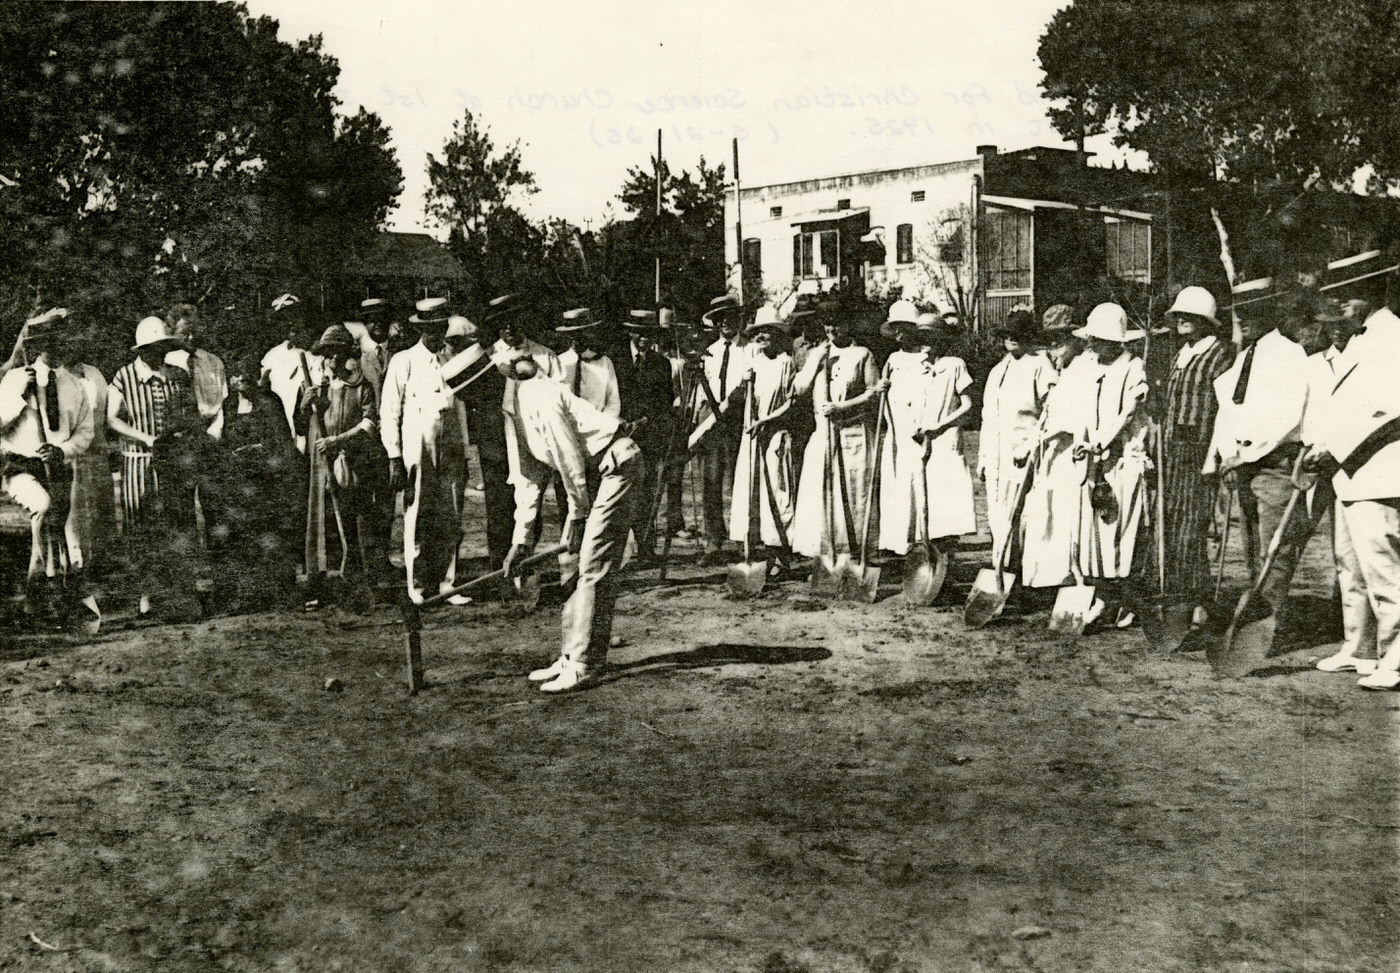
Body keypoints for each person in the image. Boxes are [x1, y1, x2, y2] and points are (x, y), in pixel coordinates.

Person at [502, 357, 644, 693]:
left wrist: (579, 514)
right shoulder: (511, 414)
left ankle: (585, 664)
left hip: (617, 464)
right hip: (595, 472)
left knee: (594, 561)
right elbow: (529, 477)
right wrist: (520, 543)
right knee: (570, 562)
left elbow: (568, 456)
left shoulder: (538, 396)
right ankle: (569, 655)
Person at [1203, 304, 1313, 633]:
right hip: (1245, 466)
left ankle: (1268, 622)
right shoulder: (1243, 357)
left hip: (1276, 464)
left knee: (1276, 547)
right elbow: (1230, 410)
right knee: (1251, 546)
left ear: (1270, 314)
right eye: (1239, 314)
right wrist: (1226, 455)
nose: (1242, 321)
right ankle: (1257, 620)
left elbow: (1288, 415)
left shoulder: (1289, 355)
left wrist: (1248, 455)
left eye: (1251, 314)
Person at [1304, 299, 1383, 676]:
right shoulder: (1331, 357)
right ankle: (1359, 647)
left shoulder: (1382, 344)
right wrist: (1316, 448)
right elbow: (1326, 413)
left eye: (1341, 322)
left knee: (1381, 567)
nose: (1336, 325)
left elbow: (1380, 410)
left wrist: (1333, 448)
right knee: (1347, 564)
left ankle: (1393, 656)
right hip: (1341, 472)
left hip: (1374, 471)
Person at [0, 308, 94, 622]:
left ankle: (35, 599)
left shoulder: (75, 385)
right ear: (39, 343)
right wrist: (18, 396)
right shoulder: (15, 379)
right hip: (21, 468)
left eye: (63, 339)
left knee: (56, 531)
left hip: (58, 467)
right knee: (43, 506)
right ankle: (51, 585)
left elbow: (85, 432)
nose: (58, 345)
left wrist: (62, 450)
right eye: (51, 339)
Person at [108, 315, 202, 617]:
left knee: (178, 523)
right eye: (153, 348)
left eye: (163, 346)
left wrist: (182, 433)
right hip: (139, 463)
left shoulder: (177, 375)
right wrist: (145, 438)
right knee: (141, 526)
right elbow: (112, 419)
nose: (158, 352)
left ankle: (183, 593)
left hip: (174, 463)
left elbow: (190, 413)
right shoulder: (124, 377)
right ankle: (146, 598)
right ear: (141, 350)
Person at [380, 298, 470, 605]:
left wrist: (465, 450)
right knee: (417, 513)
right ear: (420, 329)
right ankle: (416, 585)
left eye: (440, 327)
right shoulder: (403, 361)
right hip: (417, 446)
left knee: (451, 514)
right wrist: (394, 456)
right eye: (429, 328)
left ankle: (448, 584)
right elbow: (389, 411)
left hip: (452, 444)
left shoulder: (454, 360)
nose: (435, 334)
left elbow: (461, 409)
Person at [1160, 286, 1234, 622]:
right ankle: (1182, 598)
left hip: (1200, 452)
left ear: (1206, 321)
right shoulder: (1181, 354)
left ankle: (1200, 603)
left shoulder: (1219, 354)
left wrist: (1214, 458)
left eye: (1190, 316)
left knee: (1193, 527)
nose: (1182, 321)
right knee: (1172, 527)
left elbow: (1225, 410)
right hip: (1173, 453)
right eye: (1178, 316)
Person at [790, 304, 884, 560]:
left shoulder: (862, 354)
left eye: (838, 324)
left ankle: (854, 553)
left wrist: (842, 406)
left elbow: (874, 394)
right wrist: (815, 363)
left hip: (852, 435)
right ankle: (826, 554)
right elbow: (798, 390)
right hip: (823, 434)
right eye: (827, 324)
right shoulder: (818, 353)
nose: (832, 330)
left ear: (849, 324)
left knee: (853, 493)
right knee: (823, 495)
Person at [879, 311, 975, 556]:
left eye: (931, 336)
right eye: (920, 336)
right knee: (924, 504)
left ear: (942, 338)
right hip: (922, 446)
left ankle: (946, 565)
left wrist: (940, 426)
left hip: (946, 442)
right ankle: (926, 561)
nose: (925, 342)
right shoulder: (915, 369)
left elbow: (968, 407)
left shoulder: (954, 365)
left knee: (947, 504)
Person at [302, 324, 386, 603]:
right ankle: (326, 586)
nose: (333, 361)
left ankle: (360, 584)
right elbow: (304, 428)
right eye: (328, 356)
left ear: (347, 354)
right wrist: (305, 407)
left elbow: (370, 425)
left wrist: (338, 442)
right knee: (325, 523)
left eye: (338, 354)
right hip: (322, 468)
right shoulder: (316, 391)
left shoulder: (361, 386)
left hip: (354, 466)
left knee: (357, 525)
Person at [218, 354, 304, 609]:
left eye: (247, 372)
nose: (241, 378)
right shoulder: (229, 405)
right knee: (244, 534)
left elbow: (282, 440)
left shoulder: (269, 401)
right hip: (241, 480)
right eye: (236, 373)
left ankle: (280, 591)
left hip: (268, 478)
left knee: (272, 533)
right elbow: (226, 442)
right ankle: (250, 595)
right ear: (230, 379)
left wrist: (260, 452)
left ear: (256, 376)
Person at [978, 305, 1055, 564]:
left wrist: (1031, 446)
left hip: (1024, 453)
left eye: (1019, 334)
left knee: (1020, 514)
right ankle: (1000, 567)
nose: (1012, 338)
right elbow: (987, 416)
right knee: (997, 513)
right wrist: (983, 456)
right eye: (1008, 333)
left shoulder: (1040, 365)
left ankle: (1021, 574)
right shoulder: (998, 370)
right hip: (997, 454)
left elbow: (1050, 412)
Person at [490, 294, 566, 546]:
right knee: (500, 506)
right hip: (500, 440)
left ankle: (528, 563)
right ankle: (501, 571)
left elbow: (561, 395)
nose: (510, 328)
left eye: (514, 321)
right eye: (503, 323)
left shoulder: (545, 357)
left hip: (536, 437)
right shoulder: (490, 359)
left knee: (533, 499)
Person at [1021, 306, 1085, 589]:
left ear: (1075, 340)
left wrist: (1042, 438)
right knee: (1045, 513)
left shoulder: (1085, 369)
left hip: (1072, 457)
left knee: (1067, 518)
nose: (1052, 351)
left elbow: (1077, 419)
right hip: (1052, 457)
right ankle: (1050, 578)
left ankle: (1073, 578)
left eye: (1058, 344)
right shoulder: (1064, 373)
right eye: (1049, 344)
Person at [728, 305, 796, 561]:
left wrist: (767, 420)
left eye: (768, 331)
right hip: (753, 435)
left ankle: (780, 554)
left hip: (775, 434)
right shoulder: (752, 362)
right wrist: (743, 384)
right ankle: (753, 550)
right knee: (752, 490)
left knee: (777, 493)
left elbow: (790, 402)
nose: (763, 336)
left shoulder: (786, 362)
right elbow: (740, 399)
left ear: (778, 334)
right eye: (759, 332)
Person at [613, 309, 679, 557]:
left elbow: (665, 402)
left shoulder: (661, 364)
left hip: (649, 435)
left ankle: (646, 545)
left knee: (647, 490)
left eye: (649, 334)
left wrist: (645, 420)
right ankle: (620, 548)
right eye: (640, 333)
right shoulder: (615, 361)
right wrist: (621, 422)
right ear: (631, 332)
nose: (644, 338)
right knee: (620, 491)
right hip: (619, 434)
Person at [696, 294, 748, 565]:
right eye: (722, 319)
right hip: (712, 422)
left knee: (740, 481)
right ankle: (713, 541)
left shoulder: (749, 349)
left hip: (738, 420)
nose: (727, 323)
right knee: (711, 481)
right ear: (716, 323)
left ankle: (743, 540)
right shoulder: (710, 352)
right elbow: (699, 389)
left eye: (732, 317)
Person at [876, 300, 931, 555]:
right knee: (896, 482)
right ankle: (898, 542)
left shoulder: (927, 358)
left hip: (919, 430)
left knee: (918, 483)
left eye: (903, 327)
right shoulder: (893, 359)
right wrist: (881, 391)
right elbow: (883, 391)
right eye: (894, 328)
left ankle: (921, 540)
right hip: (896, 430)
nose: (898, 333)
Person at [260, 294, 324, 451]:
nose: (289, 323)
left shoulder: (319, 356)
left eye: (294, 316)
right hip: (281, 437)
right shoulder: (272, 357)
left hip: (312, 436)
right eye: (283, 318)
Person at [557, 308, 621, 417]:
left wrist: (603, 424)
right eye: (570, 334)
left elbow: (613, 401)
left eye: (579, 333)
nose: (574, 339)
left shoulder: (604, 363)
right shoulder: (558, 363)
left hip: (600, 427)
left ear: (589, 333)